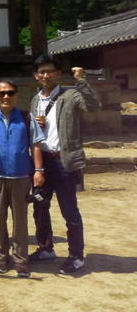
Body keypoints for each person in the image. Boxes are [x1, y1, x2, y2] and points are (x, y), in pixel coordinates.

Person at [29, 54, 100, 275]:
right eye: (42, 71)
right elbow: (34, 134)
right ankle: (46, 247)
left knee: (69, 210)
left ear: (58, 74)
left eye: (50, 71)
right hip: (43, 161)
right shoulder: (35, 99)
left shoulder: (71, 95)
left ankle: (77, 256)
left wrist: (81, 80)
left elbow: (93, 106)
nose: (45, 75)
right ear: (36, 75)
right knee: (40, 206)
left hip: (64, 160)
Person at [0, 80, 45, 278]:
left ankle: (20, 259)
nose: (6, 97)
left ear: (17, 95)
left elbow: (35, 144)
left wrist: (38, 170)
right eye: (1, 94)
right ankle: (2, 256)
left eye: (10, 93)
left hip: (20, 175)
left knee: (20, 220)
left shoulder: (26, 118)